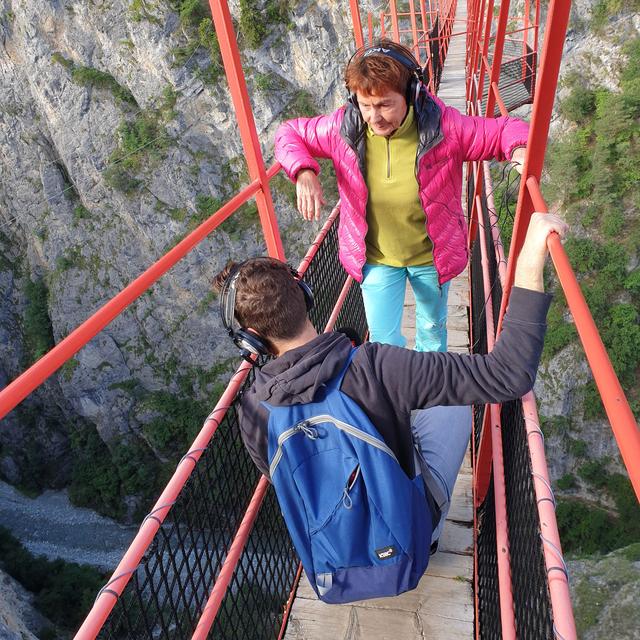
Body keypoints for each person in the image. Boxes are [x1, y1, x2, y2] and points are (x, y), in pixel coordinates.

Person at [213, 212, 568, 551]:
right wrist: (530, 259)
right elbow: (508, 374)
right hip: (407, 544)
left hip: (331, 557)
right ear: (304, 296)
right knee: (453, 403)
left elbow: (289, 483)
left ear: (252, 339)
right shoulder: (377, 366)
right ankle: (426, 528)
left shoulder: (253, 409)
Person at [274, 39, 529, 352]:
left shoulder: (444, 128)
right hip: (376, 258)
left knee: (432, 332)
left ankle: (428, 387)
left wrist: (520, 148)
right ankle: (396, 397)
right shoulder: (344, 127)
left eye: (384, 105)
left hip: (431, 257)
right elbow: (289, 133)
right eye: (365, 105)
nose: (374, 117)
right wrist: (303, 171)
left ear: (412, 94)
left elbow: (504, 130)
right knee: (383, 342)